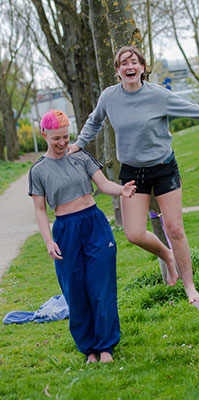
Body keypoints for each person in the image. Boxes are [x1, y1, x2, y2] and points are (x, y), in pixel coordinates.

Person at [67, 46, 199, 303]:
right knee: (133, 233)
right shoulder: (109, 97)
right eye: (124, 63)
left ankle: (190, 286)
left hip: (163, 168)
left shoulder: (159, 95)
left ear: (143, 68)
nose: (129, 66)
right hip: (133, 172)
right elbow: (94, 121)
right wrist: (78, 144)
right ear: (117, 71)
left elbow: (190, 108)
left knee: (175, 228)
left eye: (134, 62)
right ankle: (167, 255)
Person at [29, 110, 136, 363]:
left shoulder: (81, 156)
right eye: (56, 138)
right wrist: (48, 241)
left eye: (66, 137)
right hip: (65, 230)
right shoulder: (38, 170)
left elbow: (103, 184)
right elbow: (40, 210)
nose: (63, 143)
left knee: (101, 286)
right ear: (44, 135)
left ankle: (106, 348)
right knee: (75, 291)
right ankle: (89, 350)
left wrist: (121, 189)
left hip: (94, 224)